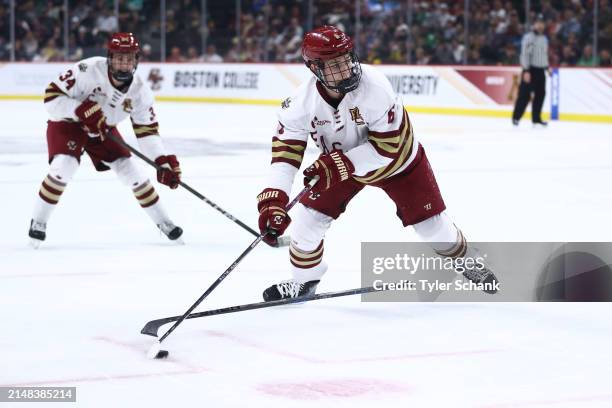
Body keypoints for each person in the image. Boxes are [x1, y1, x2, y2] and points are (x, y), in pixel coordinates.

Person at [256, 26, 498, 301]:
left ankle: (468, 262)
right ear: (315, 68)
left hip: (399, 164)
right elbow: (285, 155)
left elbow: (387, 149)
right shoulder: (299, 104)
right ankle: (304, 281)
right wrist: (273, 200)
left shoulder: (376, 88)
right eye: (335, 65)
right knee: (307, 223)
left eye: (346, 59)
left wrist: (337, 165)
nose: (346, 69)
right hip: (341, 165)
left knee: (432, 226)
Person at [28, 32, 183, 248]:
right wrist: (78, 110)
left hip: (102, 129)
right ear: (110, 58)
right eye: (119, 58)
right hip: (68, 123)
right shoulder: (87, 70)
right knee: (65, 165)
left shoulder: (140, 92)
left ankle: (165, 223)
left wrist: (161, 160)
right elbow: (51, 98)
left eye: (128, 58)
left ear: (136, 61)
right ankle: (39, 221)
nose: (123, 63)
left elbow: (147, 131)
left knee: (131, 170)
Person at [512, 14, 550, 127]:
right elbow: (525, 54)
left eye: (542, 23)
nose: (540, 26)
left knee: (540, 94)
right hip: (530, 69)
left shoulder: (544, 38)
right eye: (538, 23)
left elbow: (543, 55)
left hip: (540, 70)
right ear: (534, 24)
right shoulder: (529, 38)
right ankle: (516, 117)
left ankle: (536, 118)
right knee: (524, 95)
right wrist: (526, 70)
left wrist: (547, 67)